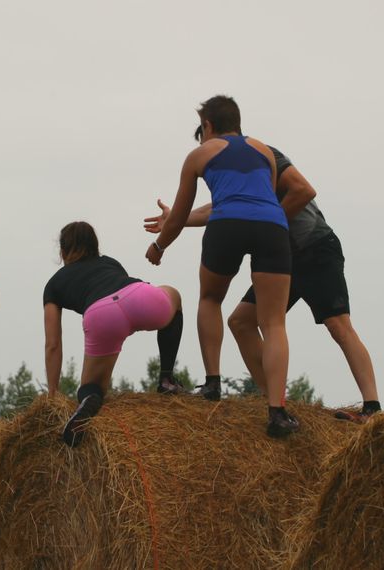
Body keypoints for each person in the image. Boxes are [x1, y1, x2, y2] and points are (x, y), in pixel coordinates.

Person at [145, 128, 382, 421]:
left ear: (211, 134)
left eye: (205, 142)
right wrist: (176, 220)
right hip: (282, 257)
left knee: (339, 325)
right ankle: (274, 402)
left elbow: (304, 190)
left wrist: (273, 221)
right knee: (241, 321)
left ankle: (373, 408)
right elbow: (221, 211)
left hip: (314, 246)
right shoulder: (234, 174)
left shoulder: (263, 155)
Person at [145, 95, 299, 438]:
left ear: (209, 126)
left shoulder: (199, 155)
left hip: (227, 226)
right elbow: (259, 197)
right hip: (273, 227)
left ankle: (212, 383)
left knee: (211, 299)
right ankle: (277, 411)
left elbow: (181, 215)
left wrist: (159, 246)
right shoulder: (264, 152)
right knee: (274, 323)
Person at [45, 221, 186, 447]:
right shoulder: (109, 262)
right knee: (174, 296)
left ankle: (89, 399)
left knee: (91, 388)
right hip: (139, 295)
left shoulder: (54, 284)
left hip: (101, 315)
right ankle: (167, 379)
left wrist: (53, 395)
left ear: (62, 251)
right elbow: (122, 298)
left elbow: (53, 344)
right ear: (95, 246)